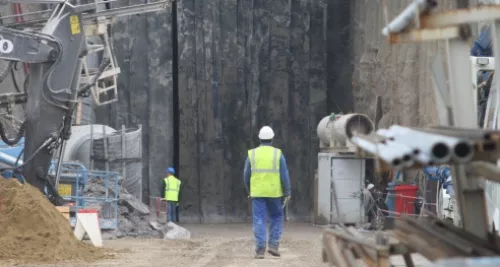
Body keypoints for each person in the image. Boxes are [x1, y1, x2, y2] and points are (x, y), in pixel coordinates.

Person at [243, 126, 291, 259]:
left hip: (257, 193)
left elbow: (246, 175)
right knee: (276, 217)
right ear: (272, 138)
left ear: (259, 138)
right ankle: (274, 246)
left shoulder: (252, 154)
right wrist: (287, 191)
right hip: (275, 192)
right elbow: (284, 174)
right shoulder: (278, 154)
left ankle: (260, 250)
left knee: (259, 219)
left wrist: (249, 189)